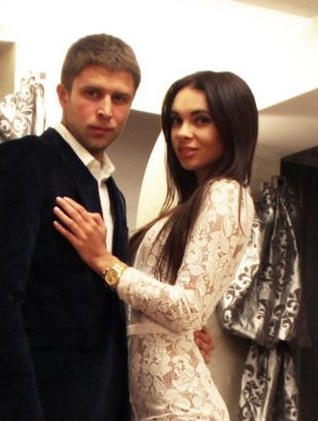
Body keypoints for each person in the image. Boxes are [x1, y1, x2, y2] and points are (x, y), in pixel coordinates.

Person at [0, 33, 214, 421]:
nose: (106, 110)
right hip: (39, 405)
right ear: (64, 95)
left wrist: (173, 339)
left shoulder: (113, 193)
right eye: (93, 93)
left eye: (120, 98)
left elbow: (102, 311)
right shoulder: (24, 161)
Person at [53, 70, 258, 420]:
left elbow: (186, 308)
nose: (183, 133)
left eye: (201, 120)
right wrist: (177, 330)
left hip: (181, 410)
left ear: (232, 126)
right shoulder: (193, 202)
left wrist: (104, 261)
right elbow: (182, 311)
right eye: (176, 120)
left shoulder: (226, 193)